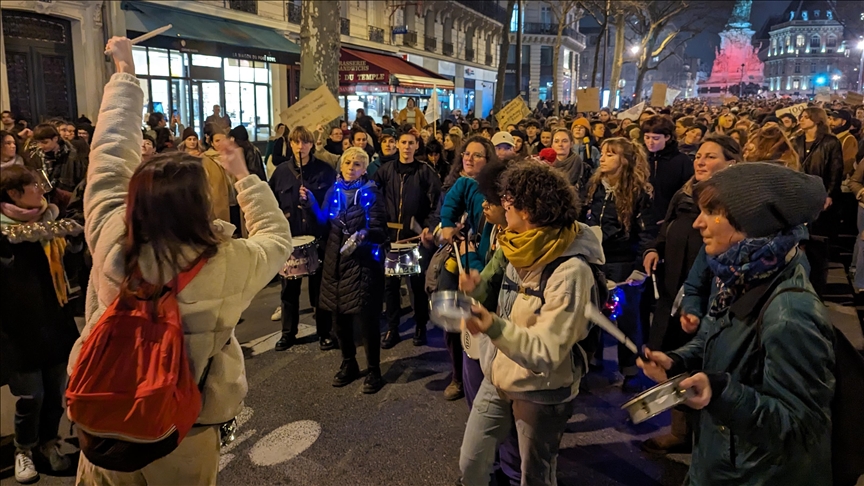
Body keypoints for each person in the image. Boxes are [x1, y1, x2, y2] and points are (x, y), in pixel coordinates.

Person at [73, 36, 292, 484]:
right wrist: (244, 177)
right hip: (183, 427)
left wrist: (126, 73)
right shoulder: (225, 261)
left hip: (105, 415)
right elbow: (276, 239)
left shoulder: (113, 233)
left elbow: (109, 157)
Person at [638, 162, 833, 486]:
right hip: (722, 462)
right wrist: (678, 361)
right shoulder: (743, 273)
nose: (698, 223)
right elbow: (723, 336)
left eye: (713, 212)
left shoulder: (790, 313)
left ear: (752, 222)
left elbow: (801, 429)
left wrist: (722, 393)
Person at [457, 161, 603, 486]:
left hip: (542, 390)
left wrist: (492, 326)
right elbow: (499, 295)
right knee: (472, 463)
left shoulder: (570, 271)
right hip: (499, 373)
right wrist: (476, 289)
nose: (500, 210)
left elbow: (546, 352)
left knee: (535, 476)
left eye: (507, 204)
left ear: (527, 211)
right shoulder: (515, 245)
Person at [640, 134, 741, 455]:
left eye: (711, 156)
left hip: (714, 294)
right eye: (699, 155)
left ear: (732, 164)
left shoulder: (737, 207)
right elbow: (666, 226)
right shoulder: (684, 193)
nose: (700, 161)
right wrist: (655, 248)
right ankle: (680, 430)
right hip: (676, 290)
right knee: (676, 355)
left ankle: (710, 436)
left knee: (709, 361)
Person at [1, 166, 82, 483]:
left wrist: (74, 245)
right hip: (17, 329)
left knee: (55, 393)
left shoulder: (53, 223)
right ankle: (24, 450)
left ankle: (49, 443)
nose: (43, 189)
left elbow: (70, 271)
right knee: (30, 396)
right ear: (13, 193)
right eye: (34, 185)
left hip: (55, 320)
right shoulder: (4, 231)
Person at [304, 147, 388, 393]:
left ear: (364, 168)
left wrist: (365, 234)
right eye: (348, 162)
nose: (352, 167)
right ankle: (348, 362)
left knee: (367, 320)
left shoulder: (371, 192)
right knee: (338, 318)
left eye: (358, 164)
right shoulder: (334, 190)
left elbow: (381, 230)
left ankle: (374, 370)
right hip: (334, 262)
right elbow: (321, 225)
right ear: (341, 165)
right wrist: (309, 205)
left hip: (362, 263)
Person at [582, 137, 655, 391]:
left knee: (625, 316)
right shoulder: (594, 187)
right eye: (602, 153)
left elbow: (646, 233)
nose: (602, 158)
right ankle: (592, 360)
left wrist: (638, 266)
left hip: (623, 262)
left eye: (610, 154)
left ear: (624, 161)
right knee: (593, 313)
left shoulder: (638, 191)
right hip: (596, 260)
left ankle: (631, 369)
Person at [436, 135, 499, 400]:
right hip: (461, 259)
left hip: (481, 260)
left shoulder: (494, 188)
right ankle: (457, 375)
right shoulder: (460, 183)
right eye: (467, 154)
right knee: (454, 318)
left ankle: (486, 375)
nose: (470, 159)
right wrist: (447, 225)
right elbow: (447, 209)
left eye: (477, 155)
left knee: (483, 320)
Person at [268, 125, 337, 351]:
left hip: (318, 236)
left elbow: (332, 204)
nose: (301, 146)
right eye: (296, 142)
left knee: (319, 289)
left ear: (312, 144)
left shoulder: (325, 171)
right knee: (289, 289)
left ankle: (324, 332)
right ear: (290, 144)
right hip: (291, 238)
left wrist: (313, 202)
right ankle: (288, 333)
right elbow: (273, 205)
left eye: (305, 142)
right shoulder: (280, 173)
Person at [373, 128, 441, 349]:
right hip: (392, 237)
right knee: (391, 285)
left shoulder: (425, 172)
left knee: (416, 284)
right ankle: (393, 327)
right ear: (397, 145)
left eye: (411, 143)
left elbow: (436, 204)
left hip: (414, 238)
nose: (406, 146)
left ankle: (421, 324)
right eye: (403, 142)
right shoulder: (385, 171)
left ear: (416, 146)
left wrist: (428, 227)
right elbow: (372, 197)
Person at [793, 107, 844, 298]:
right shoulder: (796, 141)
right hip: (799, 196)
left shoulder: (830, 142)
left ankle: (817, 289)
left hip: (820, 196)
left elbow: (835, 170)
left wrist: (829, 194)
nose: (801, 120)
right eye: (801, 117)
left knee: (817, 245)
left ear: (817, 120)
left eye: (806, 117)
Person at [642, 115, 694, 226]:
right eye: (647, 137)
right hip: (641, 221)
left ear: (667, 137)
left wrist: (673, 216)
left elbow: (686, 193)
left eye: (655, 138)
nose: (650, 142)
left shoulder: (682, 161)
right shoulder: (639, 158)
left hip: (668, 220)